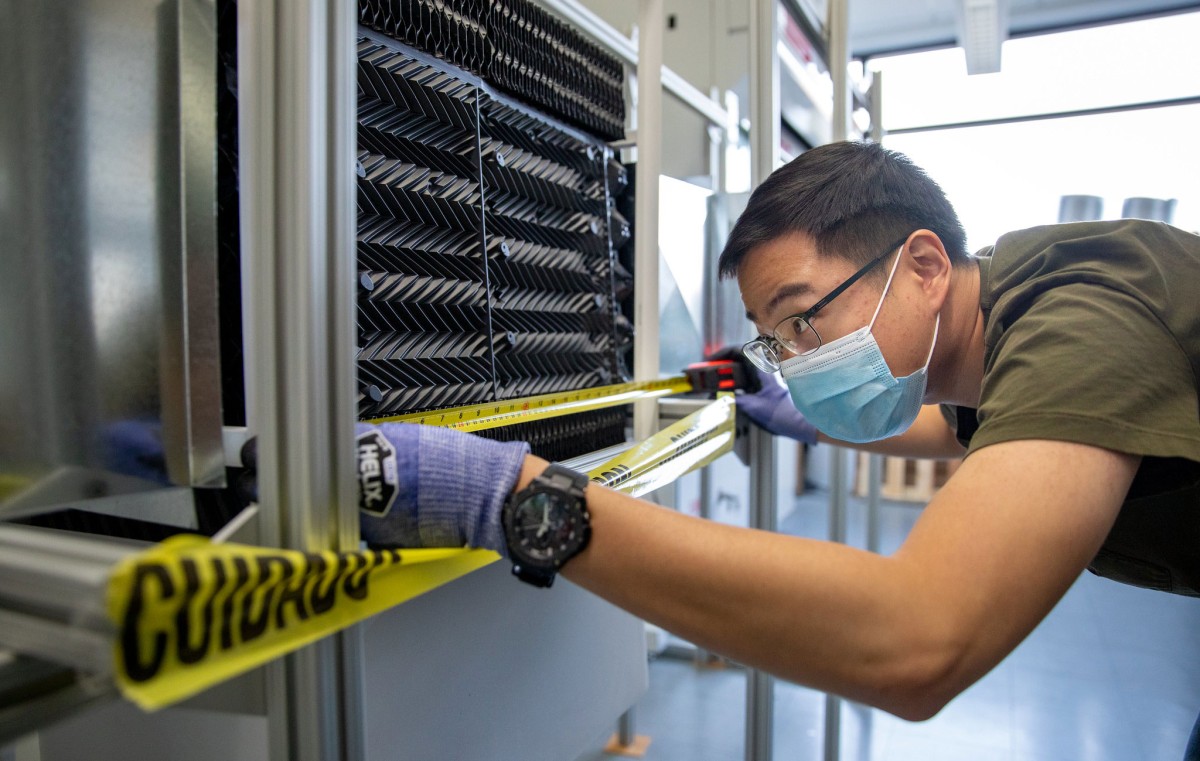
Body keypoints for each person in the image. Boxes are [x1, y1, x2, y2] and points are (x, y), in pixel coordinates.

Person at [357, 140, 1200, 757]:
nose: (795, 361)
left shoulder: (1079, 316)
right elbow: (956, 428)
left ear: (925, 265)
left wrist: (513, 498)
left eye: (804, 319)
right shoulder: (1001, 326)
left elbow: (919, 637)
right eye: (775, 342)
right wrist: (804, 415)